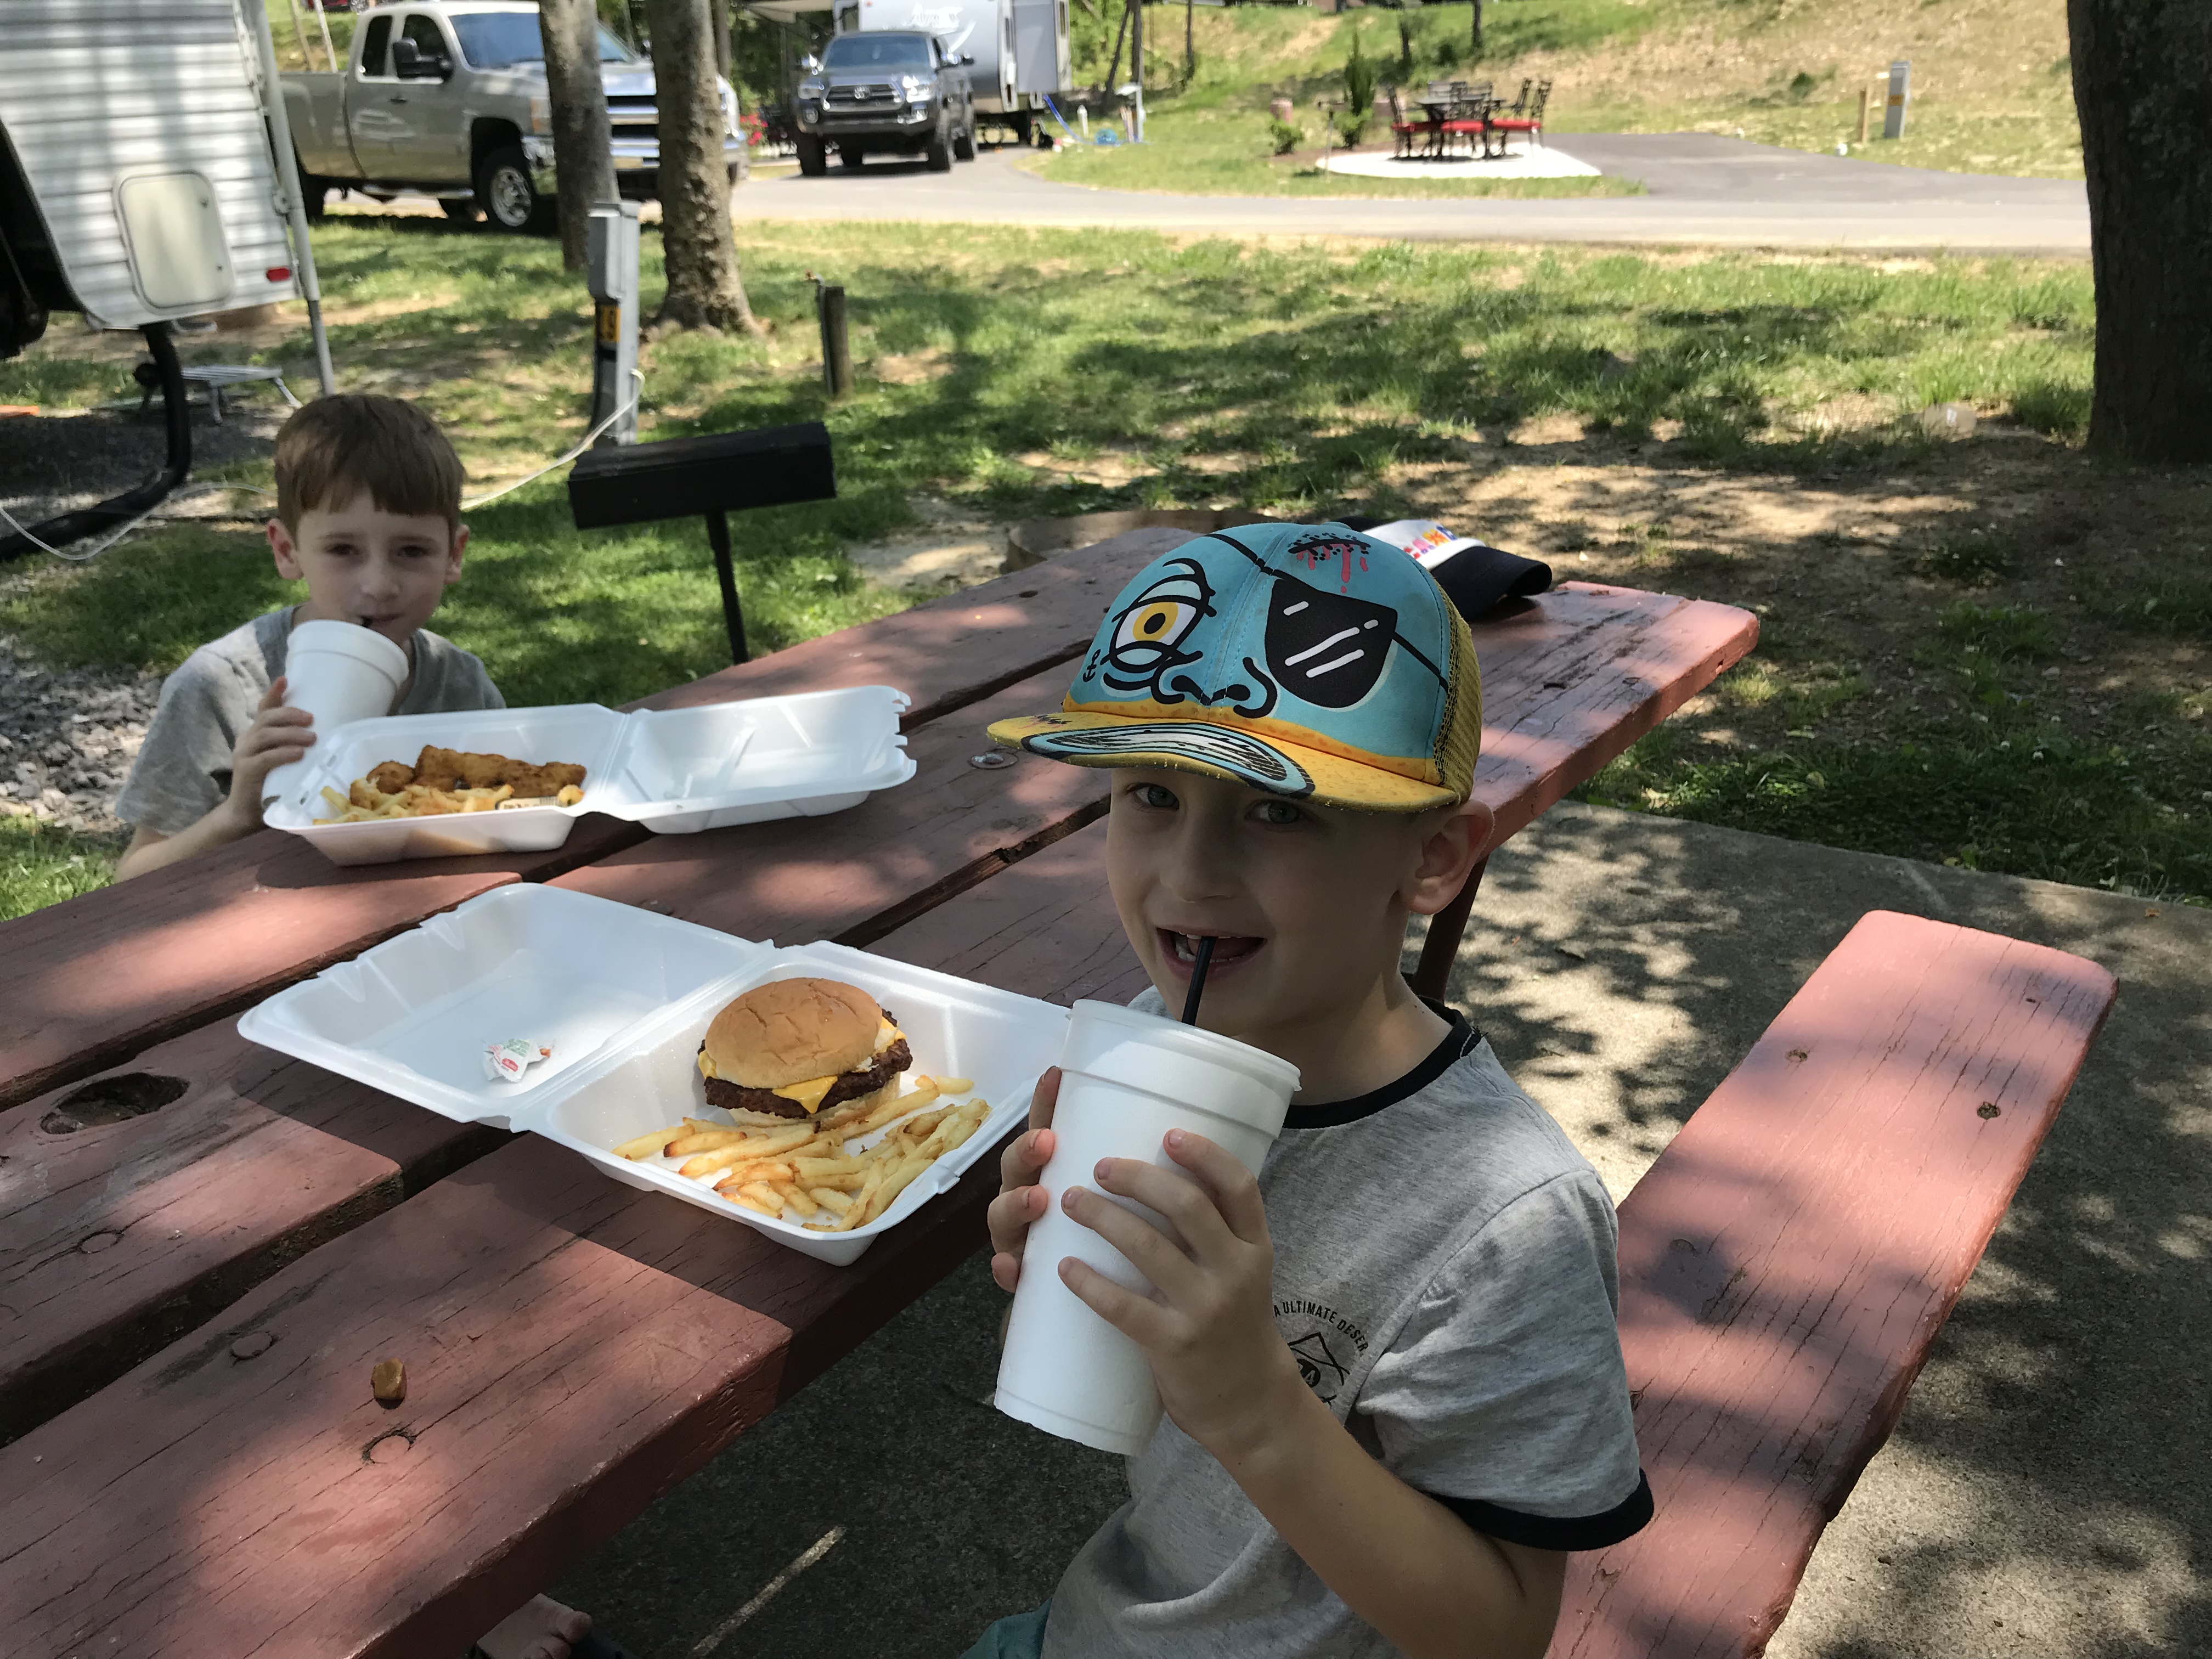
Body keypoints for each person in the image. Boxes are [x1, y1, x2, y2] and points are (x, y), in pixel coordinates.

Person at [975, 522, 1652, 1658]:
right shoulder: (1155, 1040)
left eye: (1277, 809)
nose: (1190, 873)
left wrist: (1255, 1406)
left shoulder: (1503, 1219)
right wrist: (1071, 1261)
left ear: (1433, 859)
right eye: (1151, 795)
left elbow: (1502, 1632)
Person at [112, 394, 503, 881]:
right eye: (343, 550)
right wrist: (237, 816)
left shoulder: (460, 685)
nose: (379, 585)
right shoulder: (220, 687)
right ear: (287, 550)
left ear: (453, 555)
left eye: (411, 551)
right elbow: (133, 878)